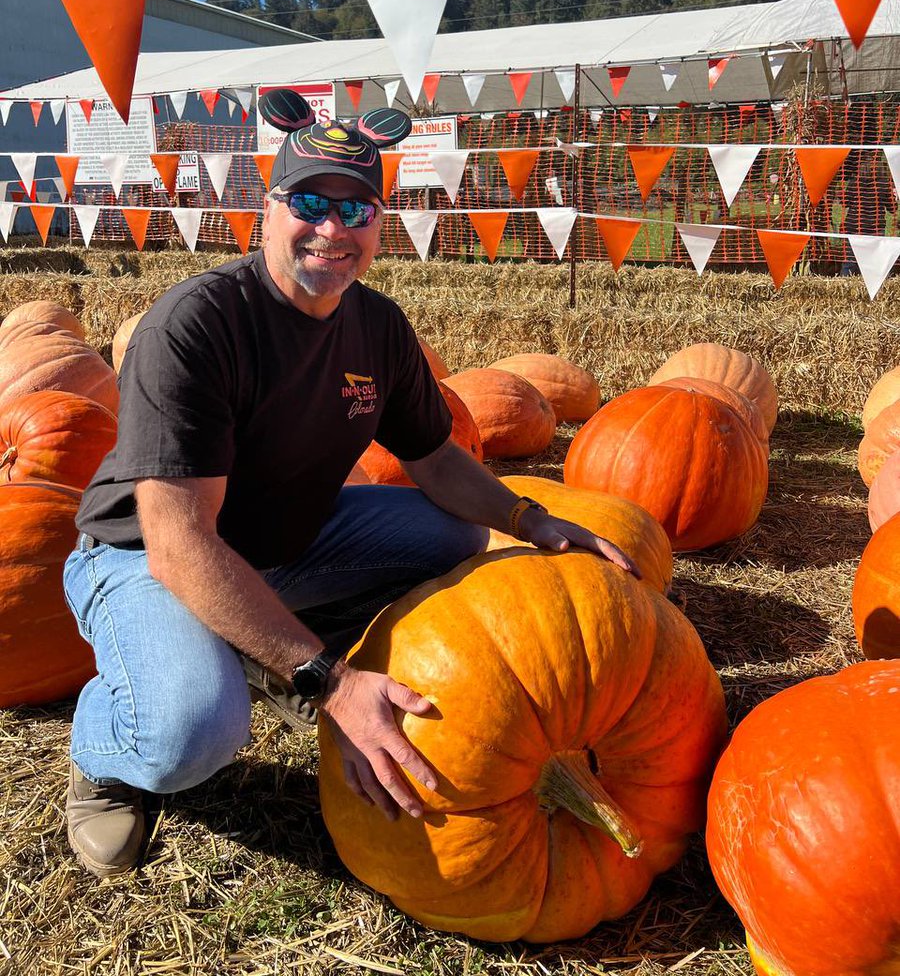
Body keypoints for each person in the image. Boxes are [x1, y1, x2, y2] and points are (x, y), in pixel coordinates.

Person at [62, 91, 639, 879]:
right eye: (310, 202)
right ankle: (104, 753)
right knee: (192, 731)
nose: (333, 229)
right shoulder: (195, 326)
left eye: (358, 209)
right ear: (269, 206)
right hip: (142, 555)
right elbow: (179, 544)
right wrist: (328, 685)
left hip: (283, 538)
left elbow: (435, 460)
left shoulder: (376, 326)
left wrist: (528, 519)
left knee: (454, 534)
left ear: (379, 224)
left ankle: (264, 642)